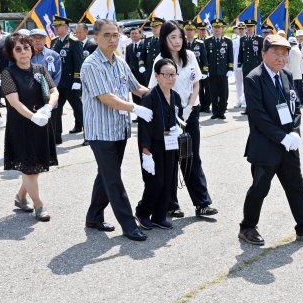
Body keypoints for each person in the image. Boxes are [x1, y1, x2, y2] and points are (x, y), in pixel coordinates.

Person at [238, 34, 303, 246]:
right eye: (276, 53)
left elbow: (295, 106)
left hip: (289, 144)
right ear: (264, 54)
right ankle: (247, 227)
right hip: (266, 146)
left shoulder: (286, 75)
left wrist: (296, 132)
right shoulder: (254, 78)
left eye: (284, 54)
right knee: (260, 188)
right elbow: (258, 115)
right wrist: (282, 137)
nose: (281, 58)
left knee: (296, 186)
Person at [81, 19, 153, 241]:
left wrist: (160, 97)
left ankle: (93, 217)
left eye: (115, 35)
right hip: (101, 132)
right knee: (113, 178)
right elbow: (106, 98)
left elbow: (136, 87)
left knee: (105, 174)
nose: (113, 39)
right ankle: (129, 224)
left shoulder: (120, 62)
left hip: (119, 130)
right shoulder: (91, 64)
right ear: (96, 38)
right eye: (107, 35)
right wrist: (136, 108)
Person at [149, 21, 218, 219]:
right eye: (173, 37)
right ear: (164, 39)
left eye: (180, 37)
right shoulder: (160, 60)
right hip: (169, 116)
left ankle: (202, 203)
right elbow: (153, 90)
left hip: (190, 113)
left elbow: (196, 84)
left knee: (191, 157)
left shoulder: (189, 56)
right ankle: (171, 204)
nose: (178, 41)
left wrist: (189, 107)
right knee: (170, 159)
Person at [0, 33, 58, 221]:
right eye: (18, 49)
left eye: (26, 47)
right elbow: (14, 102)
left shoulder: (40, 68)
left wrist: (48, 108)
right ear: (11, 53)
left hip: (41, 122)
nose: (23, 52)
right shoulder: (8, 73)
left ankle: (20, 196)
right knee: (29, 167)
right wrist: (34, 117)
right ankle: (39, 205)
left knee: (37, 166)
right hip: (21, 125)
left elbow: (53, 90)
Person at [135, 58, 186, 230]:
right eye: (166, 74)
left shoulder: (175, 96)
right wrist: (145, 152)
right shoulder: (150, 96)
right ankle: (142, 212)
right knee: (155, 181)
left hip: (170, 144)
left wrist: (178, 127)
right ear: (157, 76)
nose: (170, 78)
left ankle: (159, 215)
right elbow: (144, 127)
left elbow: (177, 117)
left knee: (168, 181)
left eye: (173, 74)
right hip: (153, 145)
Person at [50, 16, 84, 139]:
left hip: (70, 83)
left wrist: (77, 80)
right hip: (58, 83)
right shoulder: (54, 41)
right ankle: (56, 136)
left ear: (66, 27)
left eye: (58, 26)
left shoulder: (74, 41)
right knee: (56, 111)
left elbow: (79, 62)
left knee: (79, 109)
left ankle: (90, 136)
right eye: (55, 26)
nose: (56, 28)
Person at [204, 19, 233, 119]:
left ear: (223, 28)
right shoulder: (207, 41)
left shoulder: (228, 41)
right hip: (212, 71)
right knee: (213, 92)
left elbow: (230, 56)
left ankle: (222, 111)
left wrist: (230, 69)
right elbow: (205, 57)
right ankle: (214, 111)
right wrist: (205, 70)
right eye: (215, 27)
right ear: (212, 28)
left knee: (223, 92)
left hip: (223, 71)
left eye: (219, 27)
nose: (217, 29)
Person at [238, 20, 262, 113]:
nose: (249, 28)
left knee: (256, 87)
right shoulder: (243, 39)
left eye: (251, 27)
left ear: (254, 27)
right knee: (246, 88)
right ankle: (248, 107)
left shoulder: (259, 39)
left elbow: (262, 53)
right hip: (246, 67)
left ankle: (257, 107)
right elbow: (241, 52)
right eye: (247, 27)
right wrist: (239, 64)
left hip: (256, 67)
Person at [195, 21, 212, 114]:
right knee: (199, 88)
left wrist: (207, 69)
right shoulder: (195, 41)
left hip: (207, 68)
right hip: (197, 68)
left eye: (204, 29)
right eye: (201, 30)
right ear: (197, 30)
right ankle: (202, 104)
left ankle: (207, 105)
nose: (203, 31)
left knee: (208, 88)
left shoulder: (209, 40)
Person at [232, 22, 246, 109]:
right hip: (236, 65)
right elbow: (233, 53)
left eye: (242, 28)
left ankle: (244, 101)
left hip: (244, 65)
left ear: (245, 29)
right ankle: (238, 100)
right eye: (239, 29)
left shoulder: (247, 39)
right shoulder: (235, 40)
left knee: (245, 84)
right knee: (238, 84)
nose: (240, 30)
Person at [286, 36, 303, 102]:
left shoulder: (293, 50)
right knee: (296, 89)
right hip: (297, 73)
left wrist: (289, 74)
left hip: (293, 74)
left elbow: (292, 64)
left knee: (294, 90)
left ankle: (297, 103)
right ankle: (298, 102)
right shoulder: (297, 49)